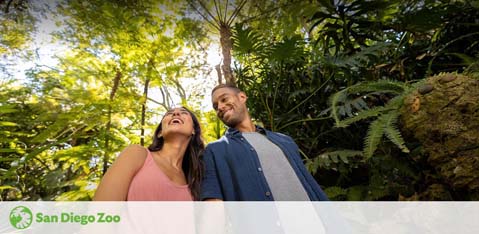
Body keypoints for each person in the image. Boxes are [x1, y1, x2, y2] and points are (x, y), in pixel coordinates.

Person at [201, 84, 329, 201]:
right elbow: (212, 199)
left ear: (242, 97)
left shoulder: (285, 140)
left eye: (224, 99)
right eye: (216, 106)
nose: (220, 107)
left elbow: (309, 183)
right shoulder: (215, 150)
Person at [94, 106, 204, 201]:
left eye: (184, 113)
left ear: (193, 130)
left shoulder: (195, 181)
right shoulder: (136, 154)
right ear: (160, 132)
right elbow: (101, 213)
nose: (175, 113)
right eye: (169, 114)